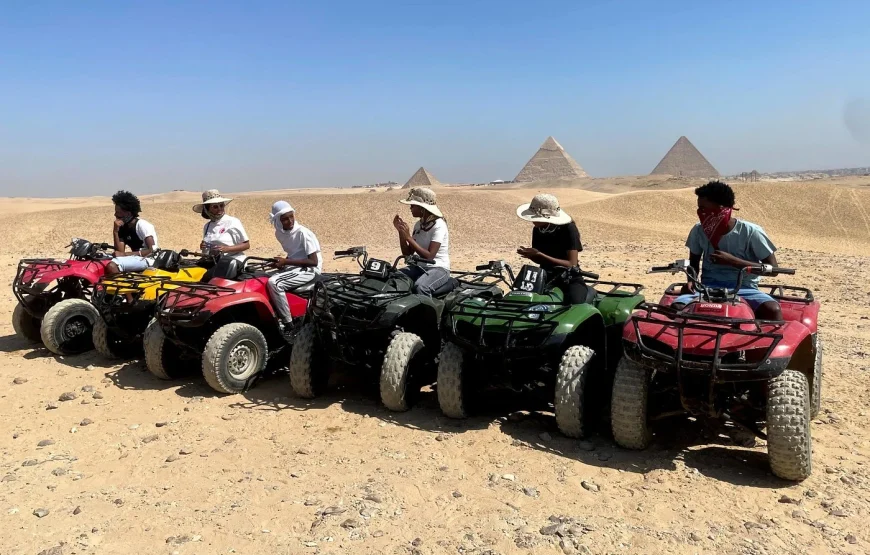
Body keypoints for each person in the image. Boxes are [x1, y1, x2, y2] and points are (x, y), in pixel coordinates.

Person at [673, 180, 782, 320]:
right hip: (706, 288)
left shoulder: (751, 232)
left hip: (744, 288)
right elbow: (693, 262)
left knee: (772, 310)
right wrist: (691, 281)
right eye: (699, 208)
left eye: (704, 209)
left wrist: (733, 261)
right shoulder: (698, 230)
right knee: (677, 308)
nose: (701, 213)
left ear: (722, 208)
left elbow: (774, 269)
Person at [515, 193, 593, 304]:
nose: (532, 220)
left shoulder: (568, 229)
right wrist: (532, 256)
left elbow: (572, 264)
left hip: (569, 278)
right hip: (544, 277)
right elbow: (541, 260)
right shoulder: (537, 229)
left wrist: (540, 255)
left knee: (574, 304)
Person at [267, 201, 322, 336]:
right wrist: (282, 263)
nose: (290, 221)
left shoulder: (303, 233)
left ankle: (289, 324)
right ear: (278, 221)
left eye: (291, 216)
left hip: (309, 269)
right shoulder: (279, 234)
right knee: (264, 276)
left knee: (275, 283)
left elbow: (313, 261)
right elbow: (294, 253)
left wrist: (286, 261)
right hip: (295, 266)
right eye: (285, 219)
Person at [392, 187, 451, 296]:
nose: (410, 208)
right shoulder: (418, 225)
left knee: (421, 287)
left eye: (413, 206)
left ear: (422, 208)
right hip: (420, 267)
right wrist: (401, 232)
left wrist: (408, 237)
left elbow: (429, 257)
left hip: (438, 268)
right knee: (394, 277)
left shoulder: (439, 225)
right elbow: (407, 254)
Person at [193, 189, 250, 281]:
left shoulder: (233, 222)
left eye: (221, 205)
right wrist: (203, 246)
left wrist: (227, 249)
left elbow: (246, 245)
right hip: (214, 262)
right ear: (207, 209)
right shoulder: (207, 226)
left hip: (232, 262)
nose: (219, 209)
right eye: (215, 207)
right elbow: (207, 246)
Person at [105, 190, 159, 276]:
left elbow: (152, 250)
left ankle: (121, 284)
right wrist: (115, 231)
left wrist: (125, 254)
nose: (115, 214)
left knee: (112, 266)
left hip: (148, 259)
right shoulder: (123, 227)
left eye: (118, 212)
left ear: (128, 213)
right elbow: (120, 251)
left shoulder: (142, 225)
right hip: (136, 258)